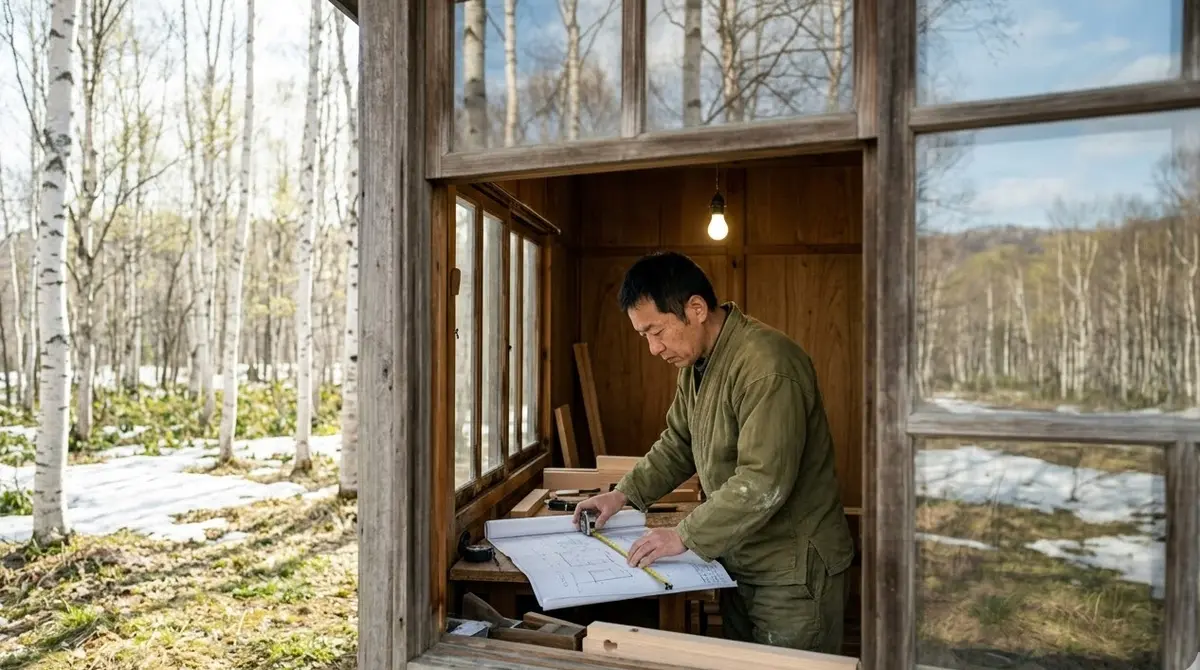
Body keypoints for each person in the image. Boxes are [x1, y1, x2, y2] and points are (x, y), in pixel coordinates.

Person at [572, 251, 855, 654]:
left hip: (792, 570)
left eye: (657, 331)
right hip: (740, 556)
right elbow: (678, 443)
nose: (653, 349)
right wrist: (623, 495)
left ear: (697, 308)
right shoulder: (697, 363)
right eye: (644, 337)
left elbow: (762, 482)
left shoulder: (767, 365)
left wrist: (683, 534)